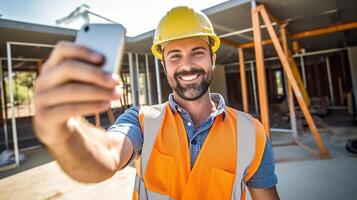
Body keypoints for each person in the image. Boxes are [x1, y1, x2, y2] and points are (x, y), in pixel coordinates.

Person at [34, 6, 279, 200]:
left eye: (198, 52)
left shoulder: (251, 132)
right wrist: (63, 131)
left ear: (213, 58)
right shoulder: (141, 120)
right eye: (175, 56)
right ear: (164, 65)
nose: (187, 65)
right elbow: (106, 156)